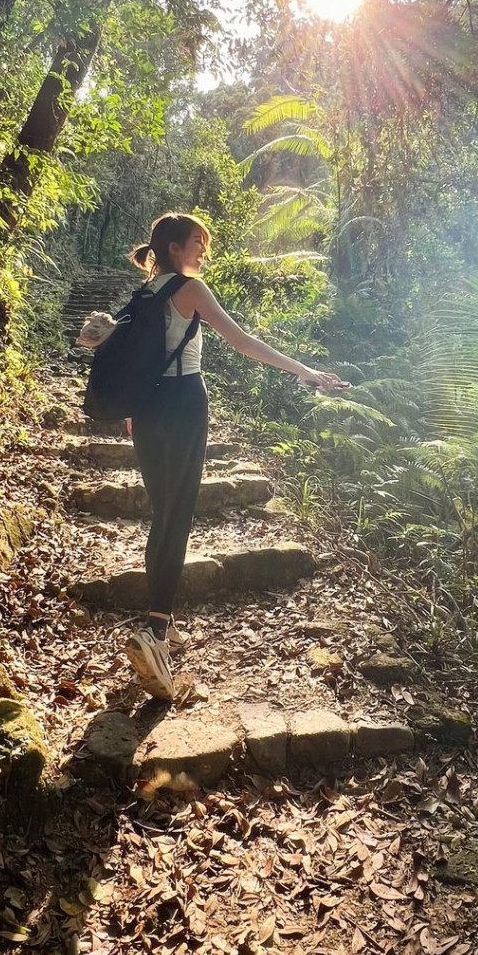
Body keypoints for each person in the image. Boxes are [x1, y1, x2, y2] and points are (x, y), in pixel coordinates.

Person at [122, 212, 347, 700]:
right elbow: (242, 342)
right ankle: (154, 631)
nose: (203, 251)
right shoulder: (190, 289)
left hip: (144, 411)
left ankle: (162, 618)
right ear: (177, 248)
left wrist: (134, 409)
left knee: (163, 512)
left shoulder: (143, 293)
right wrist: (306, 372)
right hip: (183, 405)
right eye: (197, 244)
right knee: (177, 515)